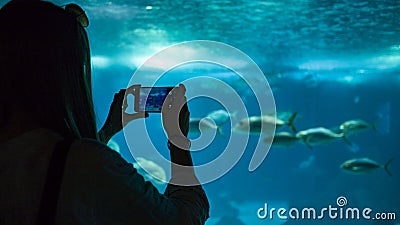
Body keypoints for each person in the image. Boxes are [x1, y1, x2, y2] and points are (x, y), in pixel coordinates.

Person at [0, 1, 209, 225]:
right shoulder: (90, 163)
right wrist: (178, 141)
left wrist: (107, 130)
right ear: (65, 76)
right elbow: (183, 219)